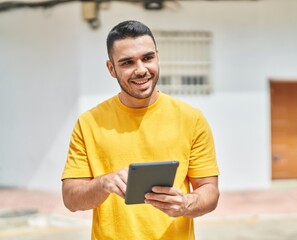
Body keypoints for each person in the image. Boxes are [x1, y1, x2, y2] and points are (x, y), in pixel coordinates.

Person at [61, 20, 220, 240]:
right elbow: (70, 199)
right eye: (127, 62)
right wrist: (103, 184)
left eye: (147, 58)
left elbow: (210, 191)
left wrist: (185, 203)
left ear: (157, 56)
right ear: (111, 68)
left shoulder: (191, 118)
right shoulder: (89, 123)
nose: (141, 70)